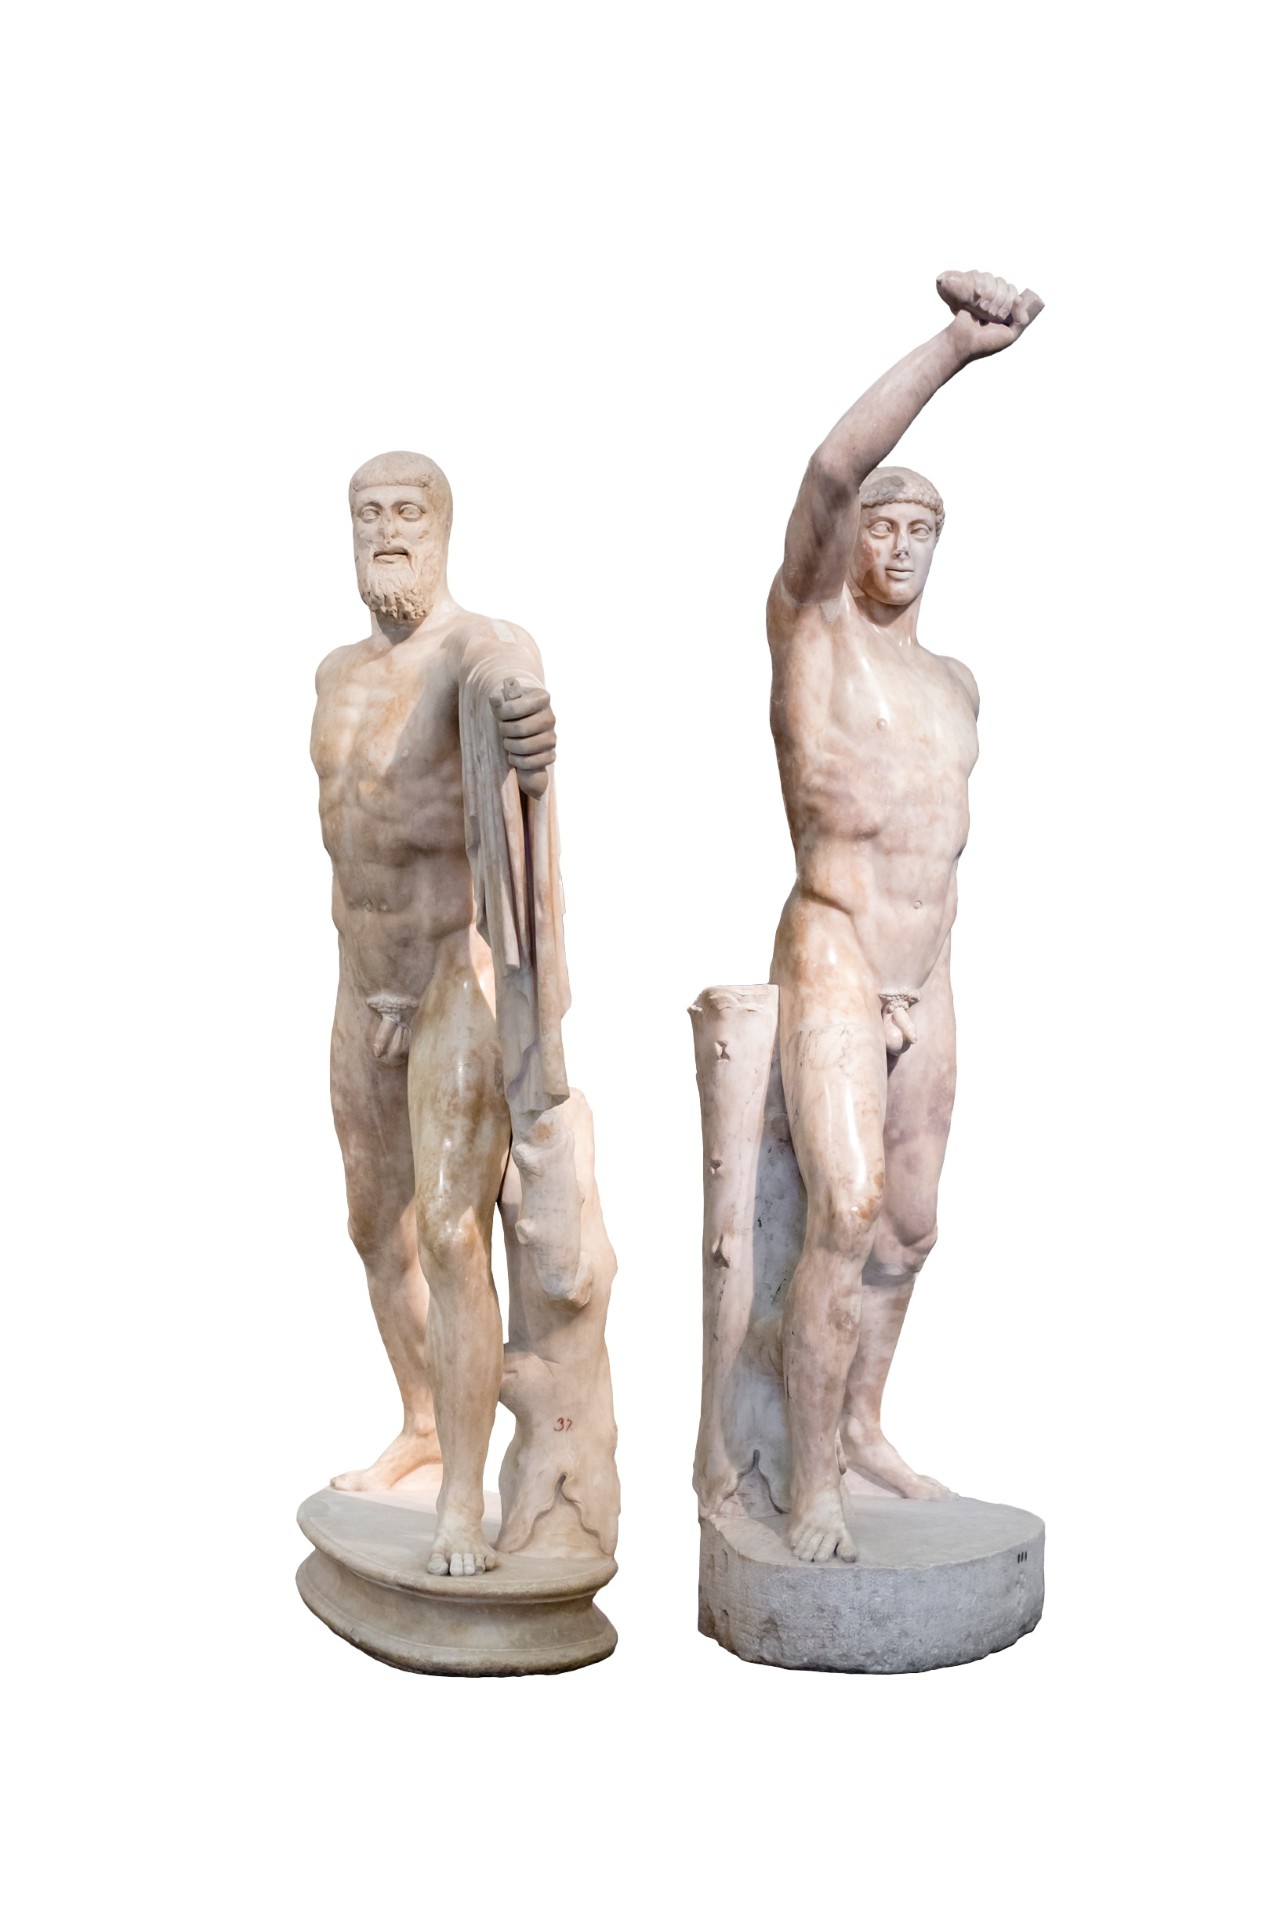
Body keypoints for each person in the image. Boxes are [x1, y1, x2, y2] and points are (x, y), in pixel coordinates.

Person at [767, 272, 1042, 1562]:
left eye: (919, 528)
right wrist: (952, 351)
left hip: (930, 970)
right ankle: (805, 1483)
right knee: (844, 1205)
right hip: (834, 941)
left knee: (911, 1223)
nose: (896, 545)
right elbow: (831, 468)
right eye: (881, 525)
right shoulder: (812, 631)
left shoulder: (956, 685)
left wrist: (924, 986)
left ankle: (863, 1426)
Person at [311, 451, 579, 1577]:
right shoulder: (333, 674)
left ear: (444, 527)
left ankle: (465, 1498)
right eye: (368, 513)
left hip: (447, 979)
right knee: (375, 1231)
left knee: (450, 1231)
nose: (387, 530)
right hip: (358, 980)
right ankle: (423, 1423)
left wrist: (527, 721)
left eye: (407, 512)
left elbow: (507, 678)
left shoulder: (475, 648)